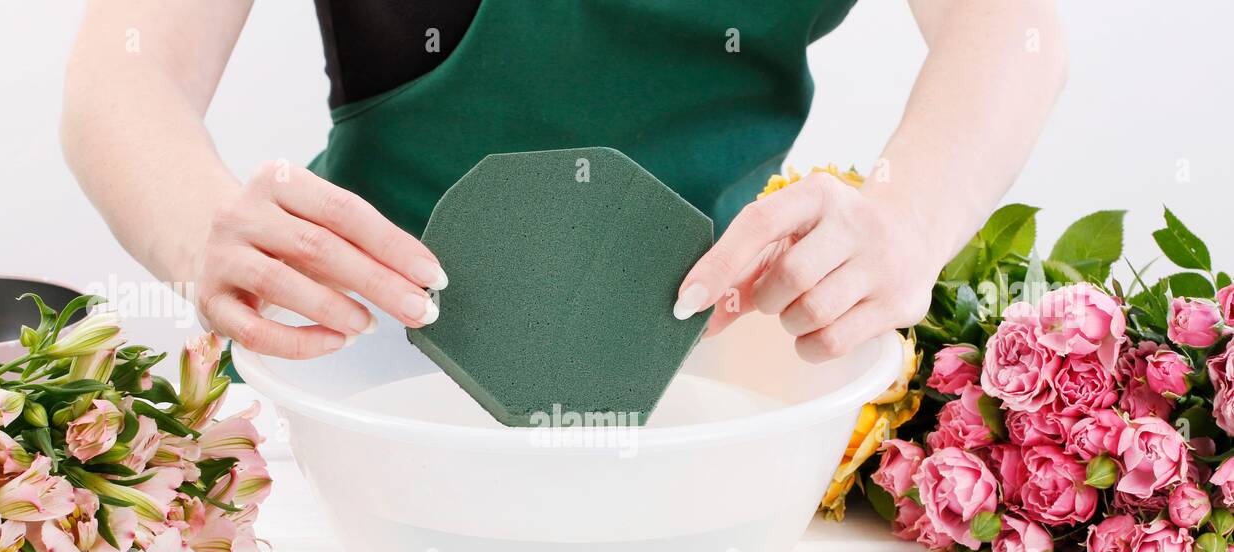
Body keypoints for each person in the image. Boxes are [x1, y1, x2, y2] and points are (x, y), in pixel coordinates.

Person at [62, 1, 1067, 362]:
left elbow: (1011, 27)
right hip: (356, 384)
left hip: (705, 395)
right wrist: (202, 227)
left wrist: (908, 215)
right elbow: (125, 69)